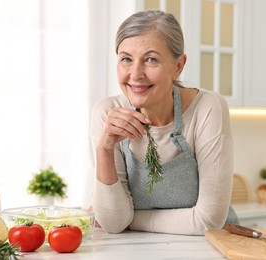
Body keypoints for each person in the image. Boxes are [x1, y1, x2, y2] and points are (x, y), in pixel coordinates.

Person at [91, 10, 238, 236]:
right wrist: (104, 148)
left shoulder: (208, 107)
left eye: (151, 59)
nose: (136, 74)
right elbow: (113, 223)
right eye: (126, 59)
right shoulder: (107, 113)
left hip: (208, 249)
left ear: (178, 66)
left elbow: (209, 221)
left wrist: (131, 218)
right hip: (134, 252)